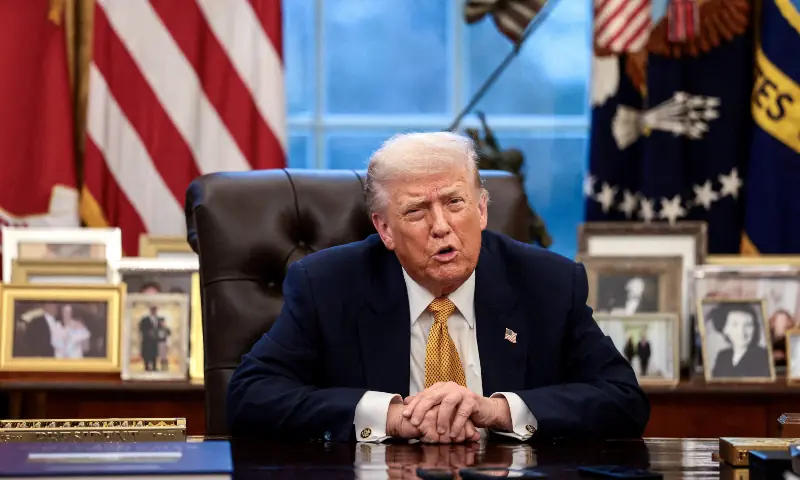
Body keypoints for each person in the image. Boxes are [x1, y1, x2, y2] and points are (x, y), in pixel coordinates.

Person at [226, 132, 649, 444]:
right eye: (416, 211)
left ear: (481, 209)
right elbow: (251, 397)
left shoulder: (548, 283)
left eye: (454, 202)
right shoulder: (327, 285)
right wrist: (389, 416)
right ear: (385, 229)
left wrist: (497, 410)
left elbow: (623, 399)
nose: (441, 227)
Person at [709, 302, 772, 378]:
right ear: (725, 329)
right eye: (735, 325)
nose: (741, 331)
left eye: (748, 325)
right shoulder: (722, 357)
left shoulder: (764, 356)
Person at [139, 305, 161, 371]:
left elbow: (161, 329)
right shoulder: (144, 319)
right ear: (150, 311)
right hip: (147, 341)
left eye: (155, 310)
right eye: (153, 310)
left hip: (155, 341)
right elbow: (141, 328)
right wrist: (148, 333)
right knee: (146, 354)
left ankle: (154, 367)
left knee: (154, 354)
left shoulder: (159, 319)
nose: (154, 311)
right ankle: (146, 367)